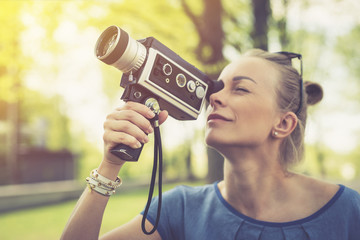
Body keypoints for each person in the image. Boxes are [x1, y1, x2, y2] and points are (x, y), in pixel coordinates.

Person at [61, 49, 360, 240]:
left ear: (283, 124)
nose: (213, 97)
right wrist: (110, 166)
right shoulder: (179, 210)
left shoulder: (347, 212)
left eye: (240, 88)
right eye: (217, 87)